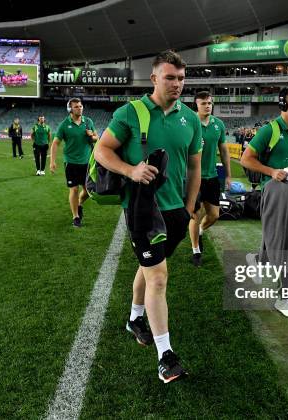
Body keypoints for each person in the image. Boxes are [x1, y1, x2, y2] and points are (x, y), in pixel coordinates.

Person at [94, 50, 201, 383]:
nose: (177, 84)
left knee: (149, 267)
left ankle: (134, 318)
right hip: (142, 210)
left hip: (176, 213)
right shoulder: (130, 112)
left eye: (182, 78)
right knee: (158, 277)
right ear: (154, 78)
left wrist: (188, 208)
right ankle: (165, 356)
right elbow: (101, 149)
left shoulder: (191, 118)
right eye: (170, 77)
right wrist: (130, 169)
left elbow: (196, 166)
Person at [240, 86, 288, 319]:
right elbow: (246, 159)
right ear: (284, 104)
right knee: (283, 242)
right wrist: (271, 171)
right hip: (273, 194)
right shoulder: (269, 130)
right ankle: (283, 295)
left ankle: (266, 271)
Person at [188, 91, 230, 267]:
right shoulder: (190, 123)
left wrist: (228, 174)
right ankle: (196, 251)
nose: (208, 106)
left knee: (214, 215)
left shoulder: (218, 124)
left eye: (210, 103)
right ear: (196, 105)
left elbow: (224, 150)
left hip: (212, 176)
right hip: (192, 176)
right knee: (195, 214)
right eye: (204, 103)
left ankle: (199, 231)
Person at [50, 98, 98, 228]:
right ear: (70, 109)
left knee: (90, 190)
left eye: (81, 106)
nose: (80, 108)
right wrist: (52, 161)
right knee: (74, 189)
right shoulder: (64, 124)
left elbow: (96, 138)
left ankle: (79, 204)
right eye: (76, 107)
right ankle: (76, 217)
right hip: (71, 162)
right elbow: (55, 143)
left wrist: (91, 136)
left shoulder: (88, 122)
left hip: (87, 162)